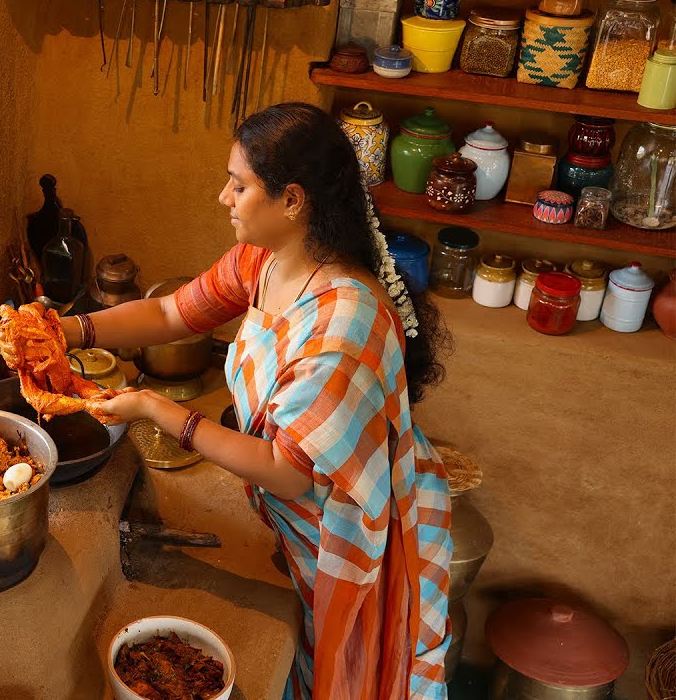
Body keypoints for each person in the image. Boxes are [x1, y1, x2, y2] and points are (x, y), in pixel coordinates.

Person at [70, 103, 452, 699]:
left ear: (292, 200)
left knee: (339, 675)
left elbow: (288, 473)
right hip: (297, 521)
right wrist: (66, 331)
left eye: (240, 184)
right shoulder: (267, 261)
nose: (223, 196)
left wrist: (156, 409)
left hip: (351, 530)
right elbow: (173, 312)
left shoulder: (342, 325)